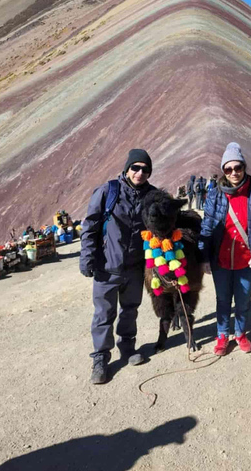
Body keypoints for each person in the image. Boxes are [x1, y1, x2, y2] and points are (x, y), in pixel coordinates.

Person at [80, 149, 157, 385]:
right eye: (135, 167)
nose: (139, 173)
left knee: (130, 309)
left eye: (145, 169)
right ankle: (101, 358)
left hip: (135, 267)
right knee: (103, 314)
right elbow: (91, 225)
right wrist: (87, 258)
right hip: (107, 266)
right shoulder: (109, 191)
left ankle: (127, 346)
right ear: (127, 168)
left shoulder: (152, 196)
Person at [199, 142, 251, 356]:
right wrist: (204, 256)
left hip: (247, 259)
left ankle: (240, 333)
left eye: (238, 168)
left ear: (244, 167)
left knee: (243, 300)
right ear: (223, 170)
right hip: (220, 258)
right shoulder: (215, 194)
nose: (234, 172)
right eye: (229, 169)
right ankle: (222, 335)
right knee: (223, 299)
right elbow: (207, 225)